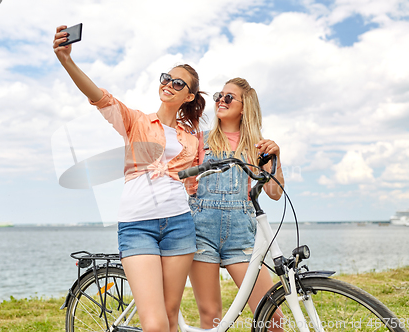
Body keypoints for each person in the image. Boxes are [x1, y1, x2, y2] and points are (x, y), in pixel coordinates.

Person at [53, 26, 206, 332]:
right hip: (138, 225)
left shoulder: (191, 138)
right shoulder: (135, 121)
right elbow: (99, 97)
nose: (169, 84)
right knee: (155, 324)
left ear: (188, 96)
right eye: (166, 77)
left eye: (179, 83)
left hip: (179, 223)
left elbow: (194, 185)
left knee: (171, 316)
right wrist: (66, 60)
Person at [186, 77, 285, 329]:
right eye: (219, 95)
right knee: (211, 316)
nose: (220, 100)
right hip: (200, 233)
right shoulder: (199, 140)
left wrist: (275, 157)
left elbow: (274, 193)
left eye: (228, 97)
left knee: (272, 316)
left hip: (241, 235)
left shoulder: (258, 147)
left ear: (244, 107)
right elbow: (179, 178)